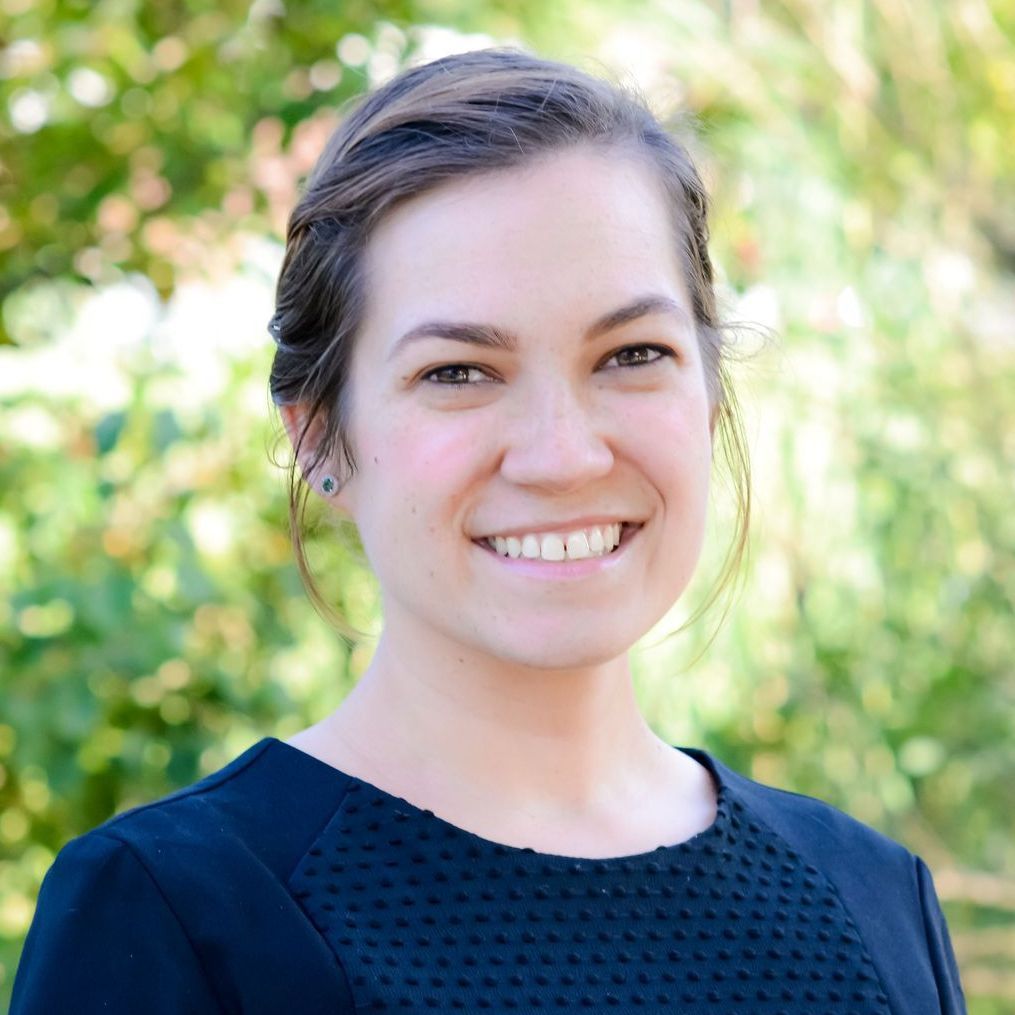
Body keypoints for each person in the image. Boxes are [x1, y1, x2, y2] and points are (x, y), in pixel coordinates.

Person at [11, 49, 965, 1014]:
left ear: (711, 397)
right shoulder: (173, 912)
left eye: (632, 354)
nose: (562, 455)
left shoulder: (873, 899)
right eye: (458, 372)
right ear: (320, 441)